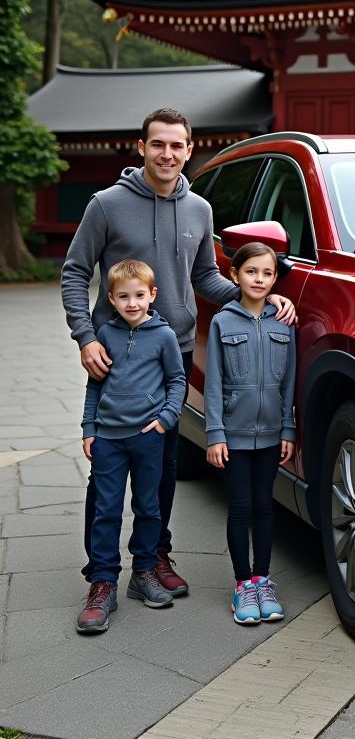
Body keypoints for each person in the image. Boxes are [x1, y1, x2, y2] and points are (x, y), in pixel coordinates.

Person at [61, 108, 296, 597]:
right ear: (142, 147)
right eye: (158, 144)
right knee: (106, 472)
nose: (167, 154)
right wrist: (85, 337)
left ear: (189, 150)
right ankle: (101, 576)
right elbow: (74, 272)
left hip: (175, 351)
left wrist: (257, 296)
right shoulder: (106, 205)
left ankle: (154, 556)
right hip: (115, 355)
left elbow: (207, 277)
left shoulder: (200, 210)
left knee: (161, 465)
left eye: (177, 146)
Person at [76, 259, 186, 633]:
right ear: (111, 298)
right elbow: (95, 385)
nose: (132, 303)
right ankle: (102, 583)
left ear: (152, 295)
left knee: (148, 506)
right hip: (108, 438)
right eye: (123, 297)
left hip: (147, 437)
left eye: (140, 295)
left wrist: (166, 419)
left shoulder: (164, 337)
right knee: (106, 509)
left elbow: (177, 381)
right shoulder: (104, 335)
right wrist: (89, 427)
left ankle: (143, 572)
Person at [205, 242, 296, 625]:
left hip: (273, 434)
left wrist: (289, 428)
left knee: (264, 506)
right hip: (235, 436)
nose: (259, 279)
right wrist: (214, 434)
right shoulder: (222, 322)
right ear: (234, 275)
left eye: (267, 273)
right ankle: (243, 584)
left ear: (275, 278)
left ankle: (263, 578)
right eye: (251, 272)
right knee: (240, 507)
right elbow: (213, 381)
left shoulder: (284, 322)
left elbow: (290, 380)